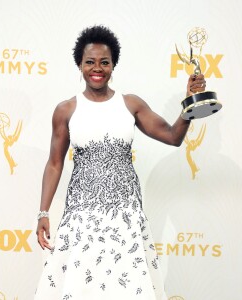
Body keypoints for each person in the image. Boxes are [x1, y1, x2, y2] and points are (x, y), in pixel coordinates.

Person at [34, 25, 206, 300]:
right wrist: (43, 213)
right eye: (90, 62)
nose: (97, 68)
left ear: (113, 65)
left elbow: (173, 137)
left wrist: (190, 103)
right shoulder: (66, 110)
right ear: (80, 64)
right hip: (82, 216)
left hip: (124, 216)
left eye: (105, 62)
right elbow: (55, 163)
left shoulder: (130, 104)